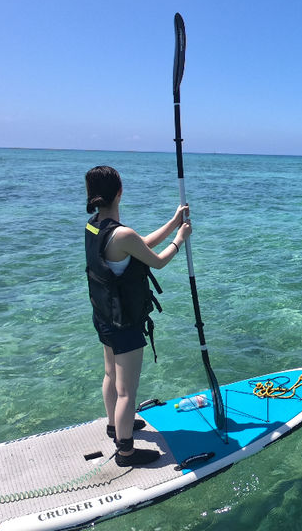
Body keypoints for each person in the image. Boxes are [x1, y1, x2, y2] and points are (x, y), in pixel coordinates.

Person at [85, 165, 191, 467]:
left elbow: (139, 246)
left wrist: (173, 223)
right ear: (119, 192)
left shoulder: (93, 226)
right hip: (125, 323)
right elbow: (156, 261)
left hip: (104, 315)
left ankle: (113, 427)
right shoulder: (123, 234)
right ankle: (126, 452)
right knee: (126, 391)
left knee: (110, 375)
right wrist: (180, 238)